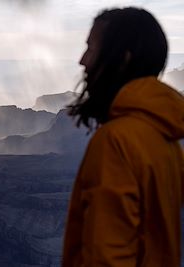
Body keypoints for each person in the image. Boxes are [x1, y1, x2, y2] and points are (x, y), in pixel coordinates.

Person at [63, 7, 184, 267]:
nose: (83, 61)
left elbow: (107, 258)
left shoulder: (117, 141)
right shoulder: (168, 139)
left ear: (123, 60)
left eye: (92, 49)